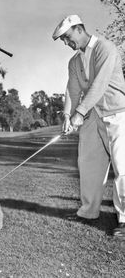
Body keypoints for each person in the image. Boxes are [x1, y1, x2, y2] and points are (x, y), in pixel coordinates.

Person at [52, 15, 125, 238]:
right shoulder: (74, 61)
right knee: (88, 163)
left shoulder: (106, 47)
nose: (66, 42)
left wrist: (79, 113)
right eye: (63, 39)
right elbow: (72, 90)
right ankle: (89, 211)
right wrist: (67, 115)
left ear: (79, 29)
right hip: (93, 116)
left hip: (117, 112)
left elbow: (100, 84)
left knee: (123, 167)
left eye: (67, 37)